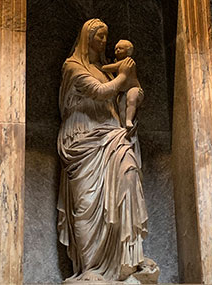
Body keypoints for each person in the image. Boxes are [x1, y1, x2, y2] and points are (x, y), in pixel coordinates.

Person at [57, 19, 149, 282]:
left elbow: (121, 95)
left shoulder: (106, 69)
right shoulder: (72, 67)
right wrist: (123, 76)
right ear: (87, 38)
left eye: (106, 36)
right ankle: (90, 269)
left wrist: (133, 94)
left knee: (129, 175)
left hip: (112, 133)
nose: (104, 41)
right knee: (86, 202)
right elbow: (99, 91)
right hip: (83, 138)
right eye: (99, 36)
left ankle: (127, 257)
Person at [102, 40, 144, 129]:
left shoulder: (128, 61)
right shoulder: (116, 61)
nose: (117, 50)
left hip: (133, 88)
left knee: (131, 100)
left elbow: (113, 67)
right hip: (123, 91)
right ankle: (124, 126)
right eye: (116, 49)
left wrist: (102, 67)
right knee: (121, 108)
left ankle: (129, 120)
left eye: (120, 48)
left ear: (128, 51)